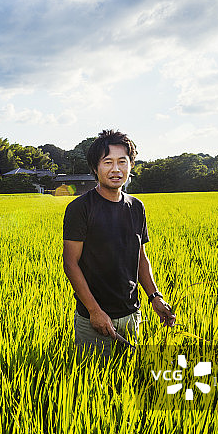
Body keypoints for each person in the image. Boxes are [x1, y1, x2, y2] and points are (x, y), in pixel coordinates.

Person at [62, 129, 175, 364]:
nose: (116, 169)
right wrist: (94, 311)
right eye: (108, 162)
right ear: (95, 168)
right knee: (91, 387)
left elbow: (140, 257)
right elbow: (71, 263)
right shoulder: (80, 208)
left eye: (122, 162)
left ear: (131, 165)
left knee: (128, 381)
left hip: (132, 314)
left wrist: (155, 296)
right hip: (93, 317)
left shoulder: (136, 207)